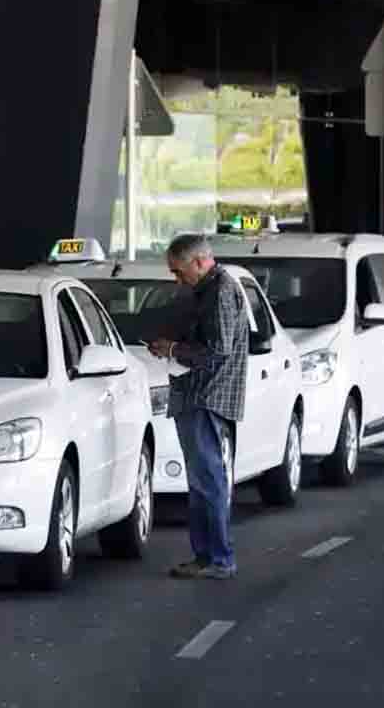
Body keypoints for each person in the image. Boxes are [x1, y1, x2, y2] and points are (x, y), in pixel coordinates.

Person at [148, 233, 249, 580]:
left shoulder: (220, 291)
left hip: (207, 395)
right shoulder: (208, 289)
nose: (177, 280)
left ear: (200, 262)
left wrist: (174, 350)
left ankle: (218, 558)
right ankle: (206, 555)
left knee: (208, 479)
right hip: (197, 393)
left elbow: (219, 349)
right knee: (202, 479)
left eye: (178, 272)